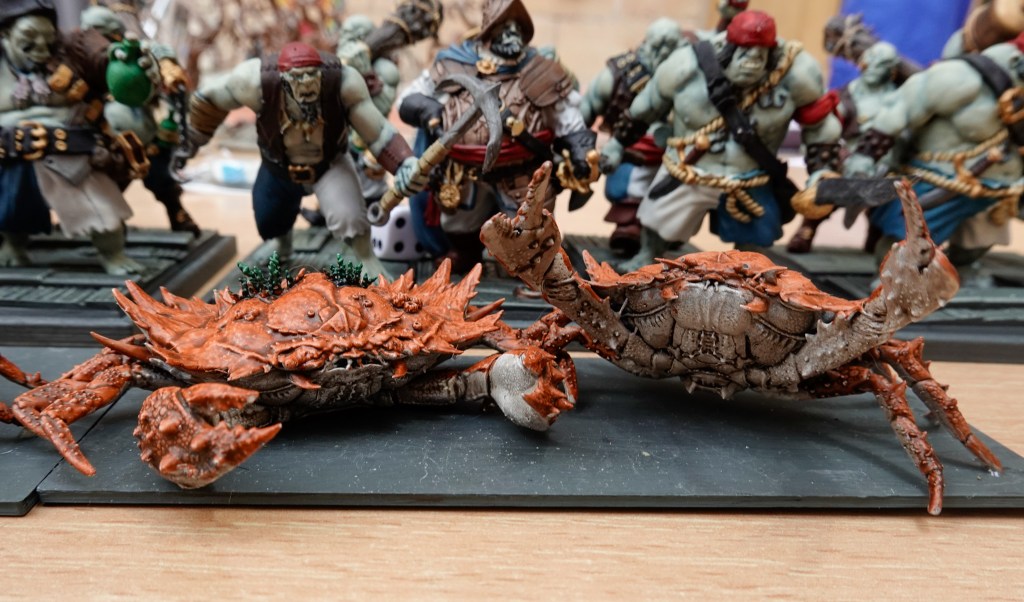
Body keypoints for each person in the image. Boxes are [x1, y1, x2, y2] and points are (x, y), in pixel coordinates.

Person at [600, 10, 842, 271]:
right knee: (656, 225)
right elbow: (645, 108)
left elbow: (821, 127)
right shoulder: (685, 66)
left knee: (754, 248)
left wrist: (821, 170)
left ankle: (750, 272)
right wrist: (616, 145)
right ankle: (646, 256)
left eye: (759, 56)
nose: (751, 63)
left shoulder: (795, 73)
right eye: (744, 54)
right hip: (687, 170)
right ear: (727, 49)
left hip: (750, 177)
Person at [178, 41, 426, 278]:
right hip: (278, 165)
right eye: (298, 78)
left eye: (311, 76)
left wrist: (404, 163)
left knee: (350, 217)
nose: (306, 84)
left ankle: (365, 258)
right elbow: (210, 99)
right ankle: (282, 243)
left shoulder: (342, 83)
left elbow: (377, 131)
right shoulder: (255, 82)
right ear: (284, 78)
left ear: (321, 74)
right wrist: (193, 139)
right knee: (268, 218)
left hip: (329, 163)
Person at [397, 0, 596, 273]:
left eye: (518, 26)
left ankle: (529, 270)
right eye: (504, 26)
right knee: (459, 223)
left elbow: (567, 117)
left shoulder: (541, 70)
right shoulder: (455, 62)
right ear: (490, 29)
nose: (512, 32)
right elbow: (410, 98)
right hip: (463, 171)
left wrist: (580, 150)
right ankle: (465, 254)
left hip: (522, 170)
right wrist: (429, 110)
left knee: (528, 230)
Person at [843, 34, 1024, 268]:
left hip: (998, 188)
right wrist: (866, 155)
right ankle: (893, 281)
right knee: (904, 246)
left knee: (974, 248)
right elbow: (899, 110)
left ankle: (956, 271)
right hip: (936, 181)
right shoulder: (961, 78)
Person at [0, 0, 150, 274]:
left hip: (67, 153)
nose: (42, 46)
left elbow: (101, 58)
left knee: (101, 211)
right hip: (8, 156)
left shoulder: (68, 53)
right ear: (6, 34)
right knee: (10, 211)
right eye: (29, 37)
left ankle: (112, 254)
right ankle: (12, 246)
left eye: (47, 37)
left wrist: (124, 59)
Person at [80, 5, 200, 236]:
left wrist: (165, 68)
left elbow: (160, 58)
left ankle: (177, 214)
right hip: (109, 143)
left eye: (101, 34)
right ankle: (112, 227)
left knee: (163, 183)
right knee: (109, 189)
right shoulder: (85, 62)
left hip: (147, 139)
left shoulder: (133, 57)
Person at [580, 17, 685, 257]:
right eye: (658, 46)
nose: (664, 52)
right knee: (627, 191)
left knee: (673, 201)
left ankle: (665, 235)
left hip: (674, 153)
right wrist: (577, 145)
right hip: (629, 148)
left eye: (671, 46)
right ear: (646, 44)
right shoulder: (619, 74)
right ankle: (629, 228)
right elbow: (588, 105)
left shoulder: (687, 71)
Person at [786, 41, 903, 253]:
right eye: (871, 62)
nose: (874, 68)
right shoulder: (846, 95)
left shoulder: (898, 97)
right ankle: (807, 229)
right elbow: (824, 131)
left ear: (892, 70)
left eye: (882, 65)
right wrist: (839, 155)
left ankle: (875, 236)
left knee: (888, 202)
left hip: (884, 167)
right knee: (825, 190)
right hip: (846, 162)